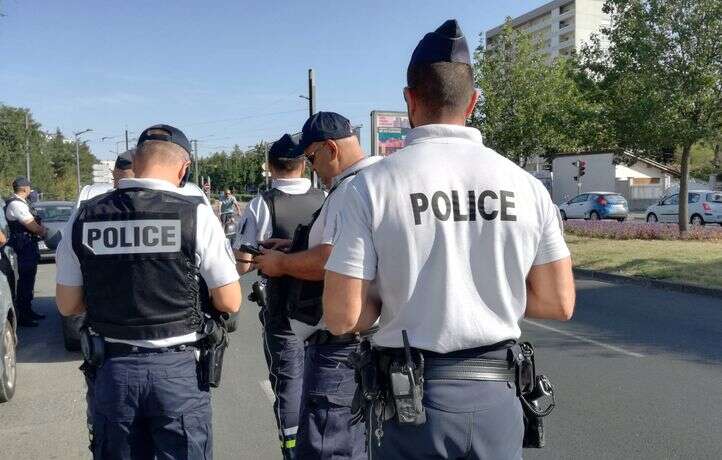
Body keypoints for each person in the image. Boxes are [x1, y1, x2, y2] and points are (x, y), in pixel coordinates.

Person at [323, 19, 576, 460]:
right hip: (498, 398)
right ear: (473, 102)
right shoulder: (527, 186)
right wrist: (486, 293)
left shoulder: (370, 187)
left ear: (409, 100)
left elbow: (342, 316)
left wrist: (396, 299)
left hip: (410, 405)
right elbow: (559, 301)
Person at [55, 124, 241, 459]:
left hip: (113, 371)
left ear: (134, 162)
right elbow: (229, 300)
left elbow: (68, 305)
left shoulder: (85, 217)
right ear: (183, 170)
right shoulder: (196, 215)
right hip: (178, 372)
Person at [254, 112, 383, 460]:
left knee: (329, 450)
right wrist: (294, 248)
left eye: (311, 159)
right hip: (366, 346)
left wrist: (281, 264)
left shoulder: (352, 188)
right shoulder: (375, 181)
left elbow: (331, 259)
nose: (311, 169)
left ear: (330, 149)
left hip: (341, 350)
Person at [233, 133, 325, 459]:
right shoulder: (326, 198)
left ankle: (292, 451)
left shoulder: (264, 203)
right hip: (326, 314)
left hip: (283, 314)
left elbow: (242, 263)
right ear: (304, 164)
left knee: (288, 386)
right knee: (325, 383)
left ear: (270, 167)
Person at [4, 177, 48, 327]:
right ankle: (23, 315)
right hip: (22, 248)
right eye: (29, 187)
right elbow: (32, 226)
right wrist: (44, 232)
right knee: (24, 282)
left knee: (29, 280)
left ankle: (28, 311)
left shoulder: (22, 203)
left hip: (28, 245)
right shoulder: (16, 204)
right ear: (24, 189)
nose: (31, 190)